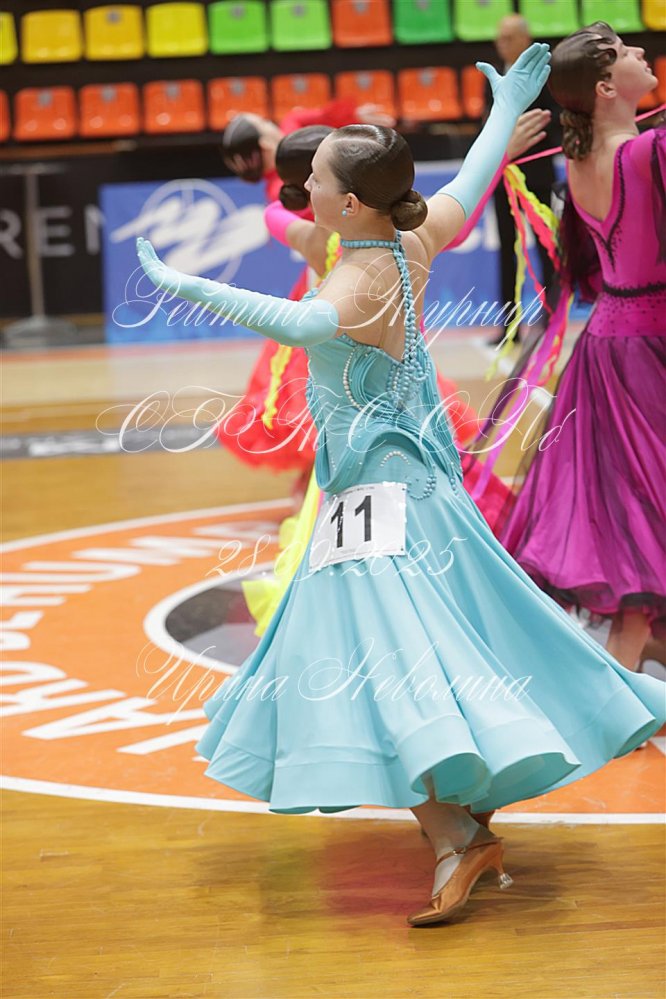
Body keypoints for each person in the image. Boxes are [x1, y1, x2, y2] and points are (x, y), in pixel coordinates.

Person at [136, 43, 665, 928]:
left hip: (377, 513)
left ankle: (458, 835)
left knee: (378, 670)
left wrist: (183, 283)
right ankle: (464, 821)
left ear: (348, 202)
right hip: (411, 494)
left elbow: (292, 320)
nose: (300, 188)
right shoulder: (413, 238)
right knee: (425, 655)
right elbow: (476, 173)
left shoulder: (353, 281)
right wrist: (505, 109)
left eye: (314, 181)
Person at [496, 23, 666, 674]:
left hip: (606, 347)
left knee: (638, 515)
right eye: (624, 53)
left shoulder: (584, 157)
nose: (641, 53)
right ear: (605, 88)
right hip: (646, 351)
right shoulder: (643, 154)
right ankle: (623, 687)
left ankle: (632, 666)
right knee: (647, 519)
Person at [217, 103, 395, 495]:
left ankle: (323, 474)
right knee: (316, 385)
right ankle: (323, 474)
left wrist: (355, 116)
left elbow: (311, 115)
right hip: (334, 283)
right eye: (264, 123)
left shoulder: (286, 165)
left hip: (325, 285)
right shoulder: (287, 195)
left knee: (310, 382)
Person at [485, 14, 561, 347]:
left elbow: (554, 119)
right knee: (507, 250)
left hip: (538, 174)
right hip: (502, 174)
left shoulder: (543, 74)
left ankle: (552, 319)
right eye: (500, 37)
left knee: (546, 247)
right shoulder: (492, 74)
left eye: (509, 37)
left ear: (526, 39)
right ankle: (509, 327)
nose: (502, 43)